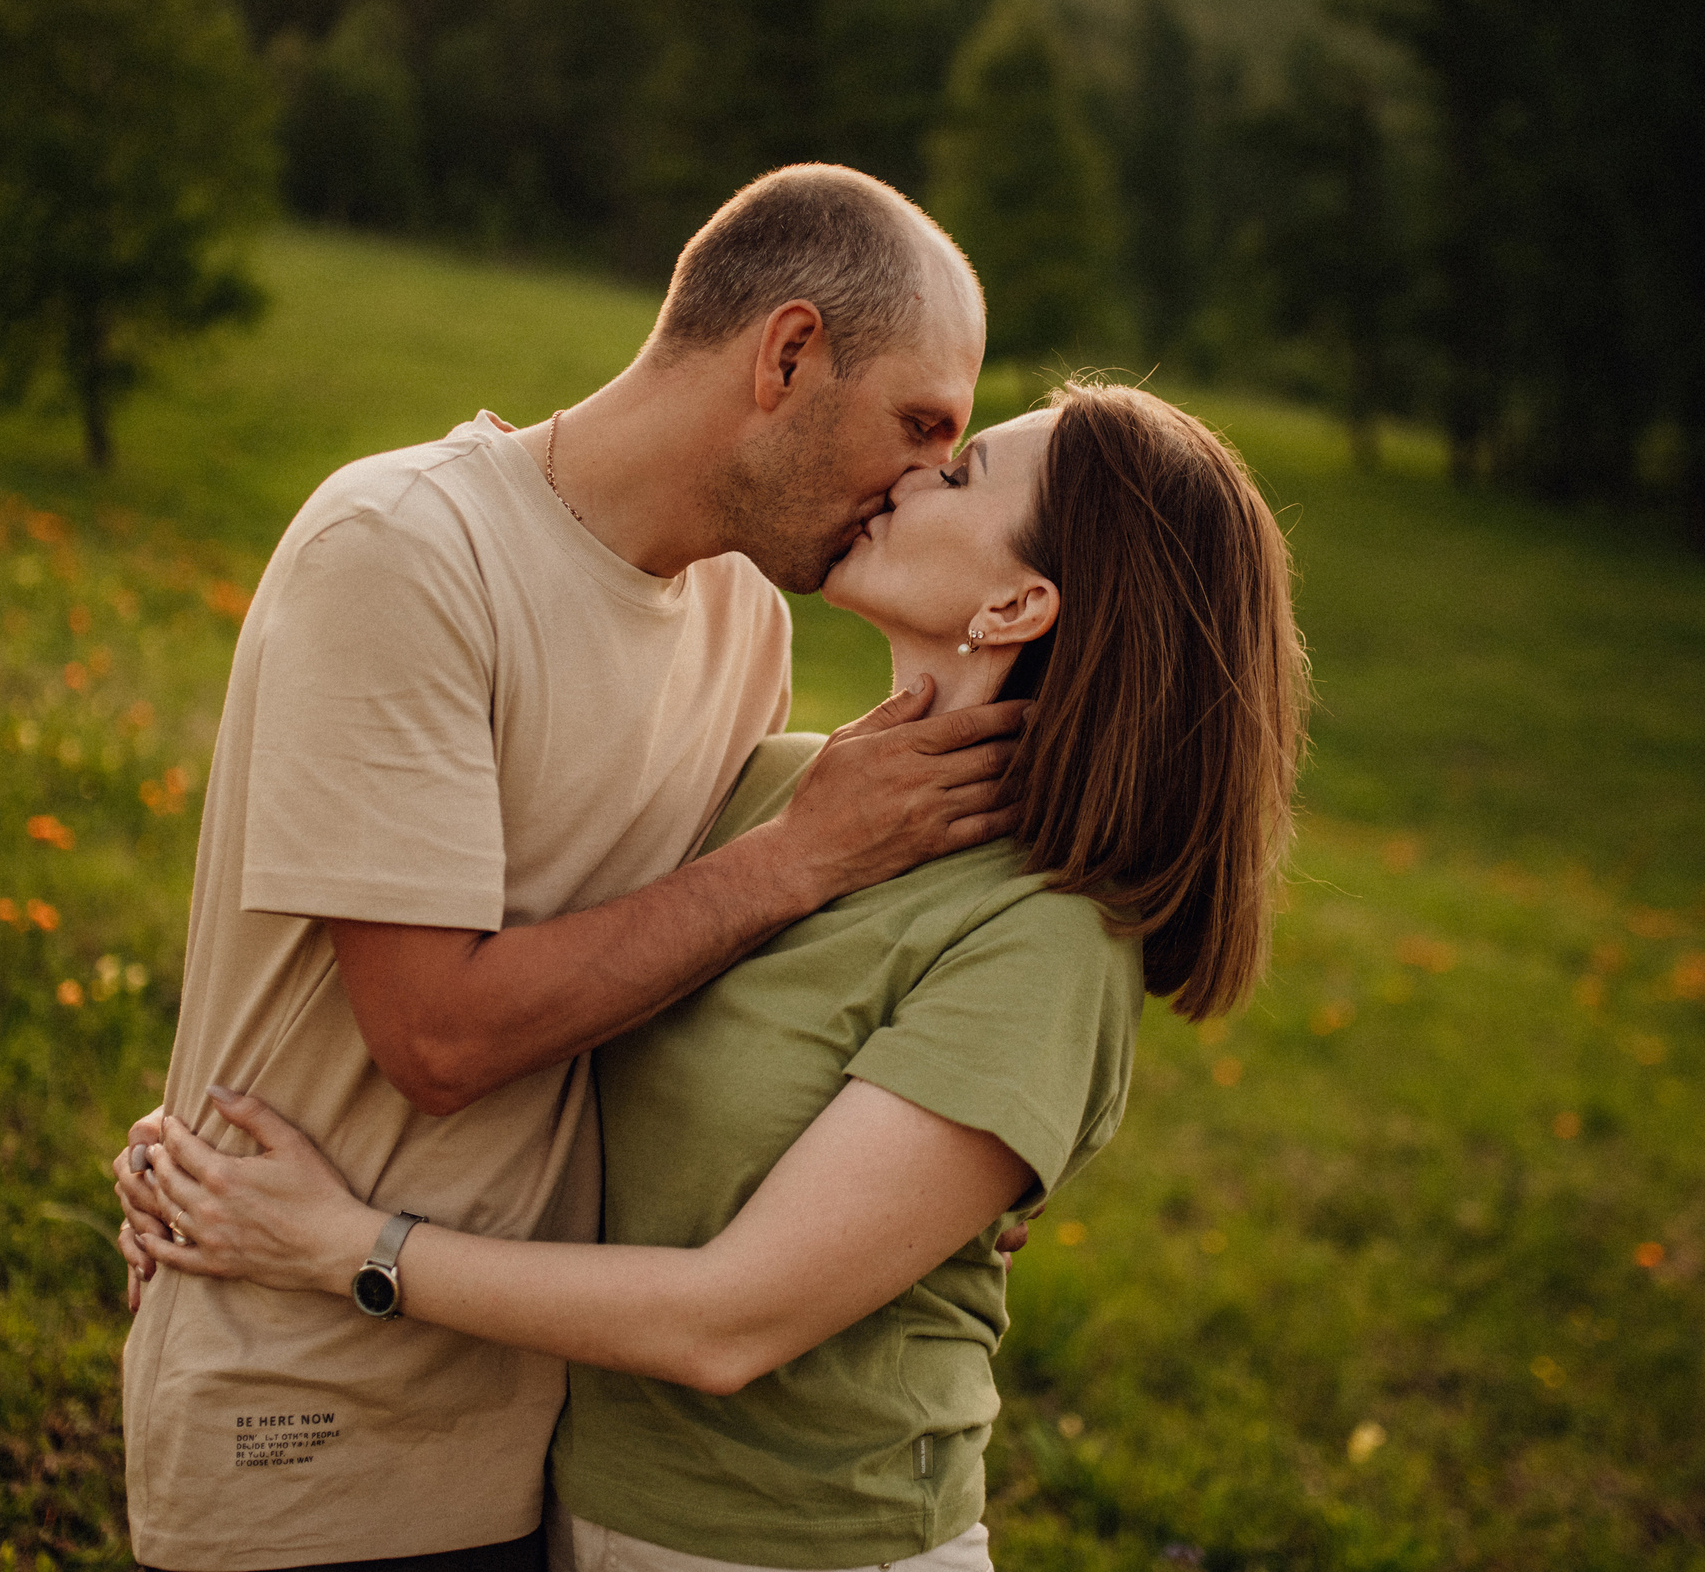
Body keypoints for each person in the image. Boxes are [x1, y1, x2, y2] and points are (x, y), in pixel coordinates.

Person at [116, 382, 1311, 1572]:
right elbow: (526, 995)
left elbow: (724, 1323)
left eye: (957, 474)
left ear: (1015, 604)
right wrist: (214, 1151)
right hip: (568, 1508)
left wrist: (341, 1243)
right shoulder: (773, 798)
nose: (908, 475)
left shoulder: (1043, 936)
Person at [120, 163, 1033, 1572]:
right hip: (309, 1420)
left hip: (549, 1431)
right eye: (919, 426)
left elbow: (680, 978)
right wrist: (796, 857)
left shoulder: (740, 618)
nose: (916, 483)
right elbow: (436, 1037)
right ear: (788, 354)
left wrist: (954, 1167)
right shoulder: (406, 550)